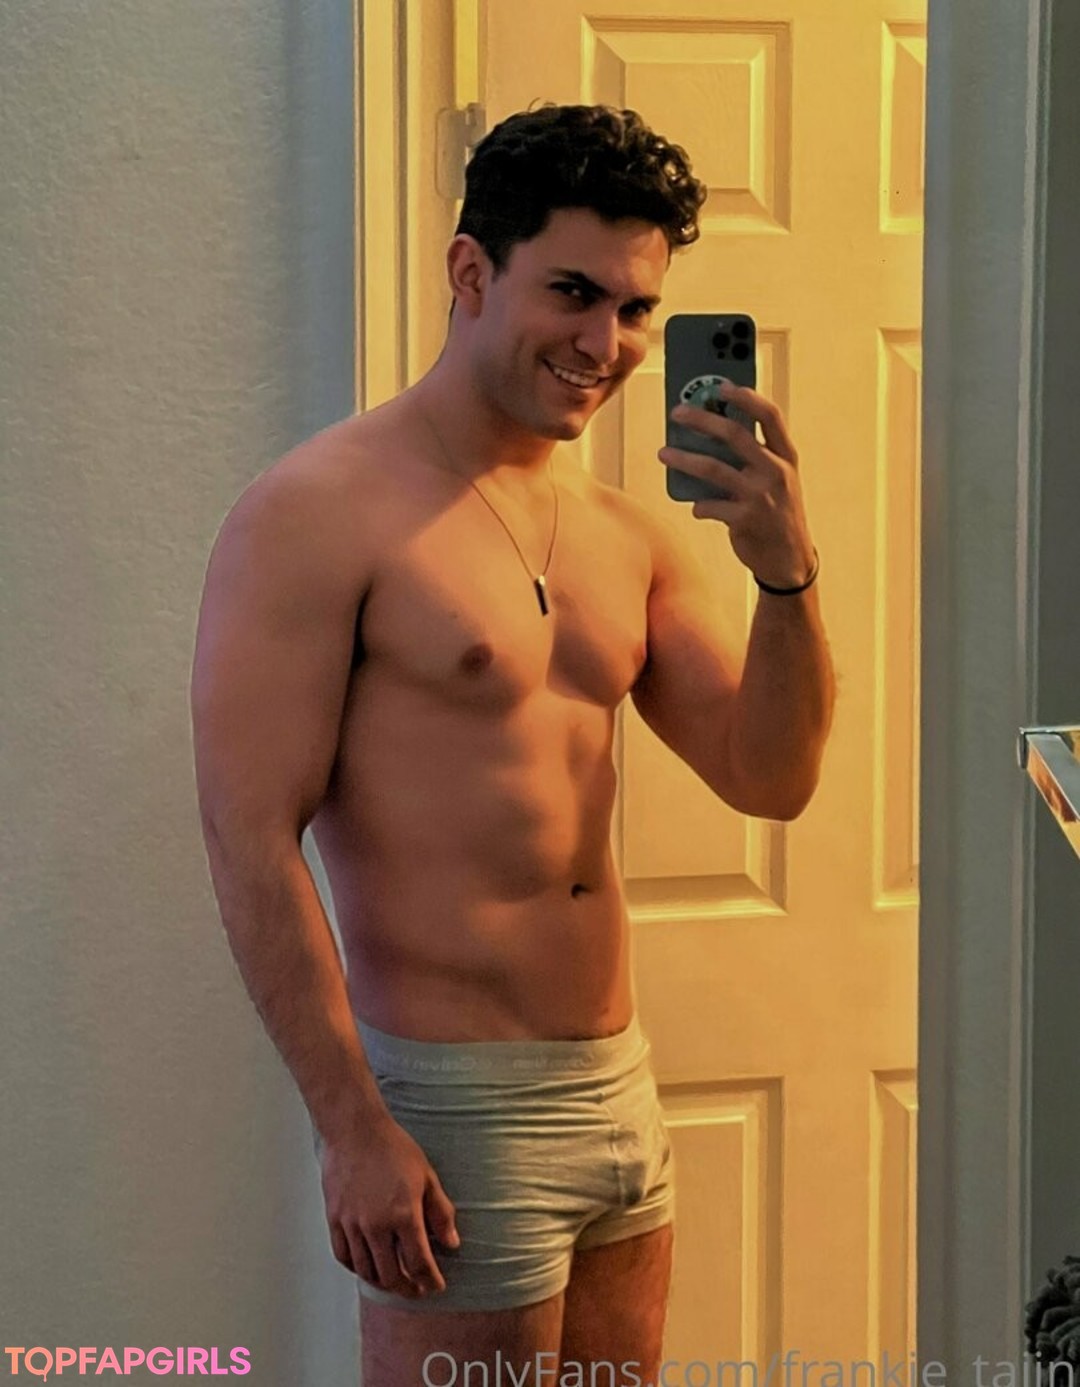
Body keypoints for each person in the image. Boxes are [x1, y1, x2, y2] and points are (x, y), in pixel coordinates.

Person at [190, 103, 834, 1386]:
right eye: (575, 293)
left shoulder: (625, 535)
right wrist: (350, 1125)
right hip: (451, 1105)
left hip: (619, 1091)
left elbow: (772, 777)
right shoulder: (317, 514)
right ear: (470, 271)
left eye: (638, 310)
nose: (608, 344)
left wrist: (786, 574)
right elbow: (249, 836)